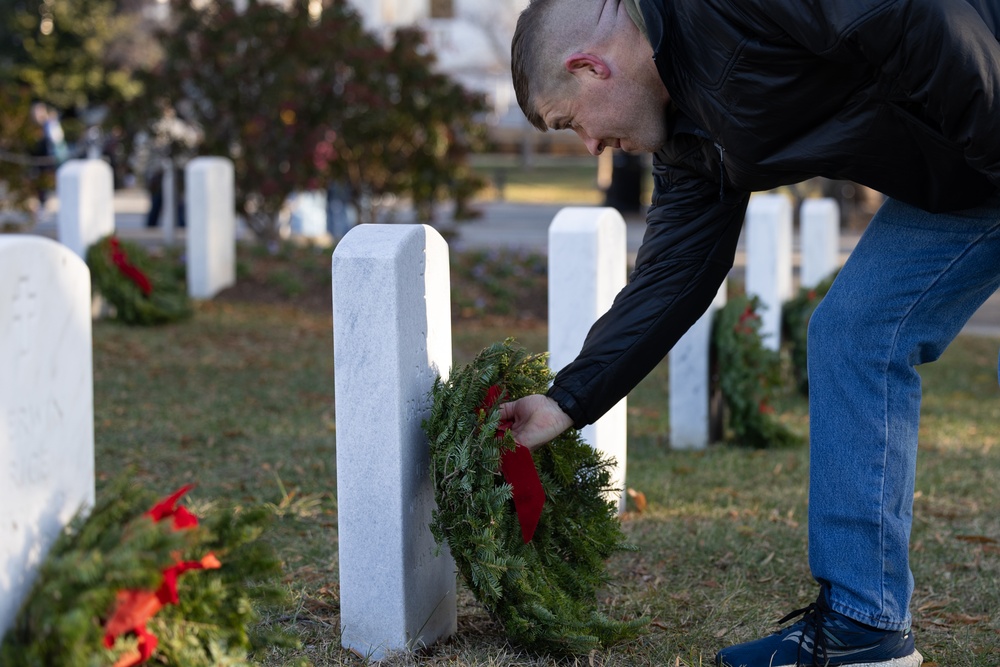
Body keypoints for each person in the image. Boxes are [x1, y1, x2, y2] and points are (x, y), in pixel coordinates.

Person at [503, 1, 1000, 666]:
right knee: (853, 334)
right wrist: (567, 400)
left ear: (589, 66)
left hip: (990, 107)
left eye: (572, 123)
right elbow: (674, 273)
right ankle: (864, 627)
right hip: (962, 172)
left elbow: (920, 17)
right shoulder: (685, 131)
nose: (591, 147)